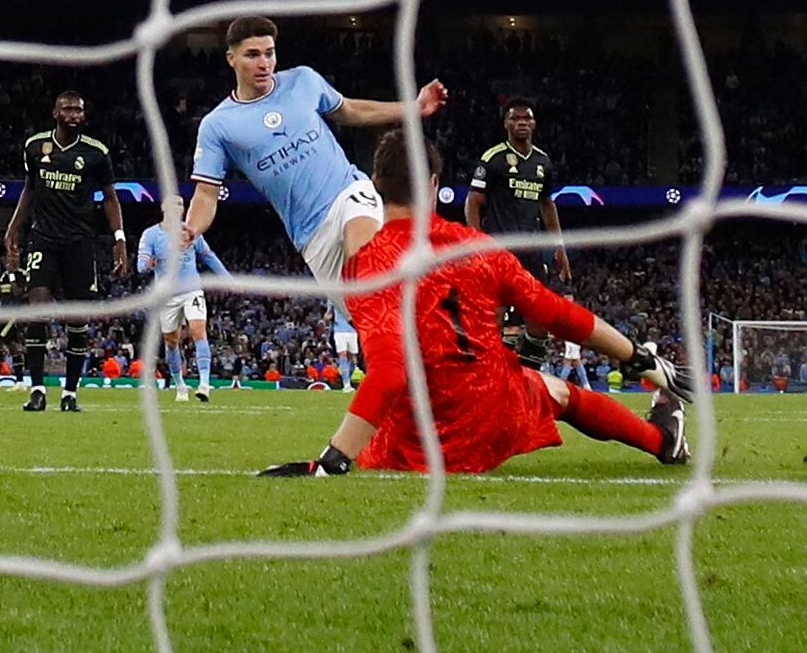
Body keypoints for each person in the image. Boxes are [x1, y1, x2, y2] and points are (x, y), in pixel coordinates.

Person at [257, 128, 692, 476]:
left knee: (509, 389)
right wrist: (636, 356)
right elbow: (556, 314)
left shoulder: (370, 264)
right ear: (434, 184)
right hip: (491, 417)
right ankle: (661, 441)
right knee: (557, 392)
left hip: (413, 446)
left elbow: (389, 375)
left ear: (375, 185)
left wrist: (332, 459)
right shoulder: (475, 247)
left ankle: (661, 437)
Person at [178, 16, 447, 446]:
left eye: (269, 52)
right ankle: (412, 400)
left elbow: (351, 110)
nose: (263, 62)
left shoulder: (302, 81)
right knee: (372, 319)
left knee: (368, 259)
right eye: (252, 55)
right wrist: (191, 228)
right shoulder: (219, 125)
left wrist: (411, 109)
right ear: (231, 59)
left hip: (349, 193)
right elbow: (207, 194)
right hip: (311, 237)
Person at [4, 91, 128, 413]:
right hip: (43, 239)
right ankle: (36, 389)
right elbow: (29, 189)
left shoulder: (96, 153)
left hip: (80, 243)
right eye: (67, 109)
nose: (73, 114)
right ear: (55, 113)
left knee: (77, 319)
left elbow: (111, 198)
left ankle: (70, 393)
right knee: (37, 309)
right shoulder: (34, 147)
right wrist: (14, 227)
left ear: (84, 116)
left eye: (78, 110)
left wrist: (119, 239)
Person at [465, 100, 572, 362]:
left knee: (539, 320)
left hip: (532, 253)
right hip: (498, 250)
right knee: (494, 317)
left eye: (527, 118)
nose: (522, 122)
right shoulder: (492, 159)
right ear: (506, 124)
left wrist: (559, 247)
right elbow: (473, 203)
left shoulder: (542, 162)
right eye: (515, 118)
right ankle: (486, 378)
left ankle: (527, 376)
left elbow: (547, 204)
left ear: (534, 124)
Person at [135, 210, 227, 403]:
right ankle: (180, 386)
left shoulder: (191, 232)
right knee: (171, 341)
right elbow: (140, 266)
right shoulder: (151, 234)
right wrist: (148, 264)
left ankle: (204, 385)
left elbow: (208, 255)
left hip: (191, 290)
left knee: (198, 330)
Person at [331, 301, 361, 387]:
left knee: (353, 358)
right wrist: (327, 317)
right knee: (343, 354)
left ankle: (347, 375)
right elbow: (329, 313)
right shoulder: (333, 298)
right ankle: (346, 384)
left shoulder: (353, 297)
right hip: (339, 331)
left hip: (352, 330)